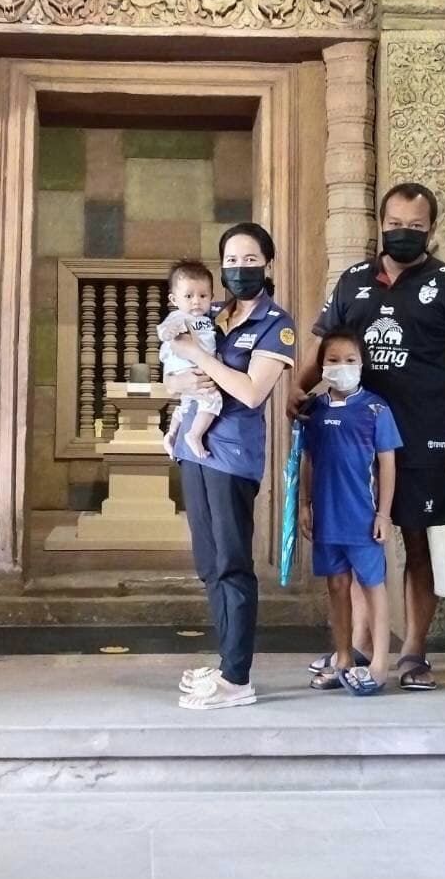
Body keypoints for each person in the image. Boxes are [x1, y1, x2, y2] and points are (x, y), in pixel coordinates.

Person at [290, 183, 445, 691]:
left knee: (418, 541)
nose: (404, 233)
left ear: (431, 229)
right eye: (396, 224)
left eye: (415, 226)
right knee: (357, 538)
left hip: (424, 434)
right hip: (354, 440)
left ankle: (414, 651)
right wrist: (299, 388)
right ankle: (357, 645)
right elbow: (325, 344)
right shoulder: (354, 280)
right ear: (381, 224)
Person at [165, 222, 296, 710]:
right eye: (232, 261)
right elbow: (173, 380)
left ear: (267, 263)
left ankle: (237, 678)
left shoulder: (276, 323)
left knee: (232, 563)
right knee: (208, 562)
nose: (241, 269)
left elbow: (251, 391)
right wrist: (182, 381)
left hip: (233, 456)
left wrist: (196, 357)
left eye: (250, 260)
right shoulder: (209, 311)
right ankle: (225, 663)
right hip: (193, 450)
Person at [298, 328, 401, 696]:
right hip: (326, 519)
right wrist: (305, 505)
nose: (341, 366)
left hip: (363, 520)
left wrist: (383, 514)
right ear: (322, 366)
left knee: (373, 587)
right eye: (333, 360)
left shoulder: (376, 409)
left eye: (350, 360)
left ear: (362, 364)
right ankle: (343, 658)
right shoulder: (314, 411)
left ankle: (379, 664)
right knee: (337, 586)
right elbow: (308, 460)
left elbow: (387, 464)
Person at [157, 260, 220, 459]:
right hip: (187, 366)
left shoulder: (207, 319)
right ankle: (195, 434)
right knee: (213, 398)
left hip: (195, 367)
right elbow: (164, 330)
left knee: (187, 403)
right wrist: (169, 332)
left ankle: (171, 434)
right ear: (174, 299)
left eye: (203, 296)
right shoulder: (180, 316)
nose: (196, 302)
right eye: (188, 296)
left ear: (212, 297)